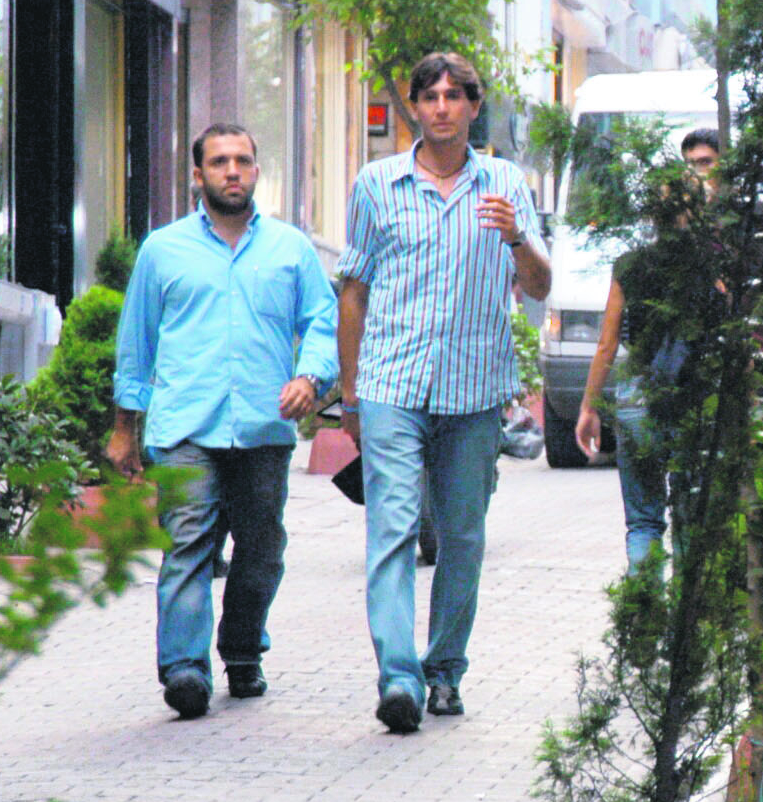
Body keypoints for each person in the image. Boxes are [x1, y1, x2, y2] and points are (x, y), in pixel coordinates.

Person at [337, 52, 552, 733]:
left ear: (473, 106)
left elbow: (541, 286)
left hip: (475, 390)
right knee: (393, 528)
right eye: (428, 95)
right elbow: (354, 290)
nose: (440, 107)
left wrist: (516, 236)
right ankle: (397, 677)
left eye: (454, 95)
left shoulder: (506, 184)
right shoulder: (377, 184)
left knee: (462, 536)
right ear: (413, 107)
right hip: (392, 385)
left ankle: (444, 670)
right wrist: (350, 394)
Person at [109, 122, 338, 719]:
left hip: (264, 426)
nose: (232, 171)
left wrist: (310, 378)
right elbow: (137, 342)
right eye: (219, 162)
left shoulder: (290, 249)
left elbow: (323, 320)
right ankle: (184, 669)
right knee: (188, 543)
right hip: (185, 426)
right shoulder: (162, 250)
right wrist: (124, 426)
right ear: (198, 174)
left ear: (257, 171)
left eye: (242, 161)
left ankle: (241, 650)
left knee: (261, 549)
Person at [576, 129, 722, 568]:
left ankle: (642, 619)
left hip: (638, 396)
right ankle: (683, 628)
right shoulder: (712, 266)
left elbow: (606, 345)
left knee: (643, 522)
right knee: (692, 522)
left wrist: (589, 407)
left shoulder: (630, 265)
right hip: (693, 398)